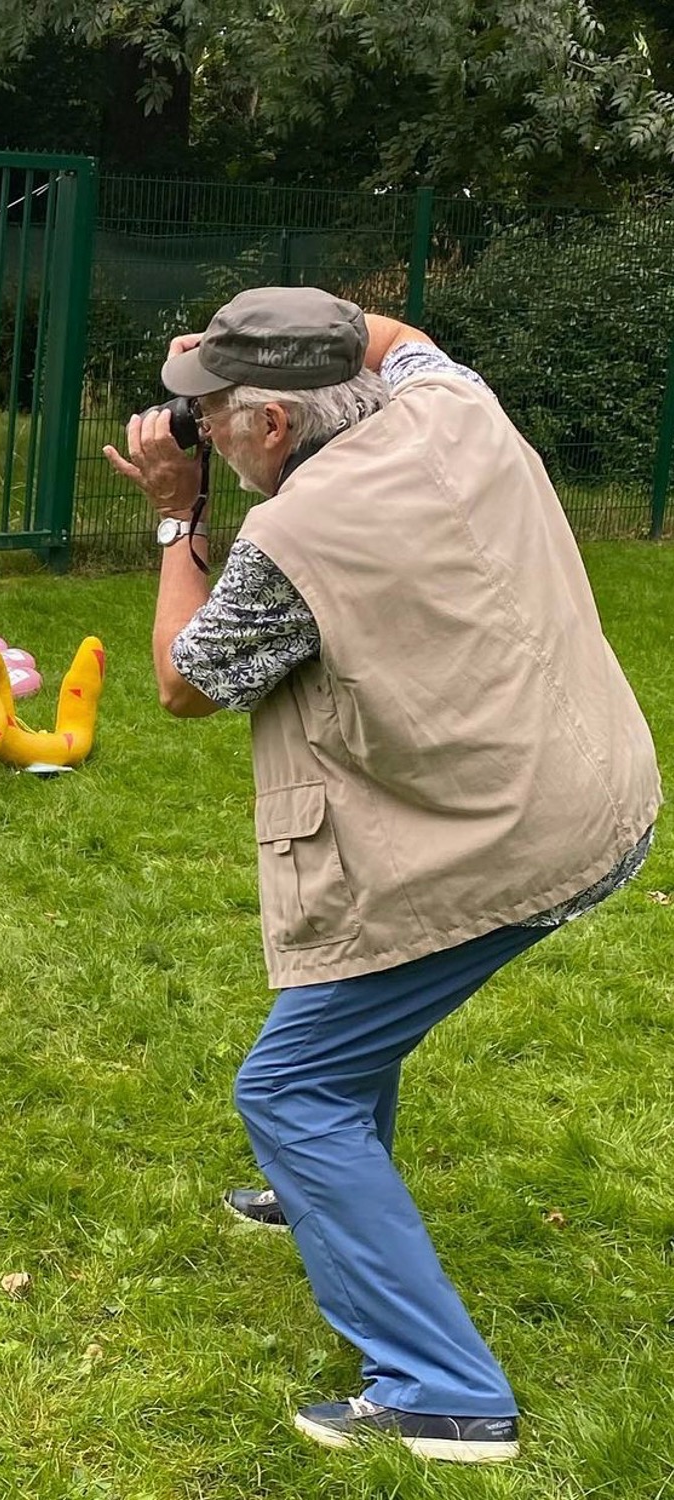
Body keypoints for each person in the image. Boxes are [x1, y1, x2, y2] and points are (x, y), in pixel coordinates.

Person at [104, 286, 660, 1463]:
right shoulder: (448, 406)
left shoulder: (290, 539)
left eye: (209, 418)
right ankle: (320, 1195)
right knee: (347, 1005)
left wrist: (171, 522)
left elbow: (183, 682)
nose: (191, 433)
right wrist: (245, 341)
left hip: (505, 832)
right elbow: (383, 336)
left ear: (273, 432)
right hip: (587, 772)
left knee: (289, 1090)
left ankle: (440, 1391)